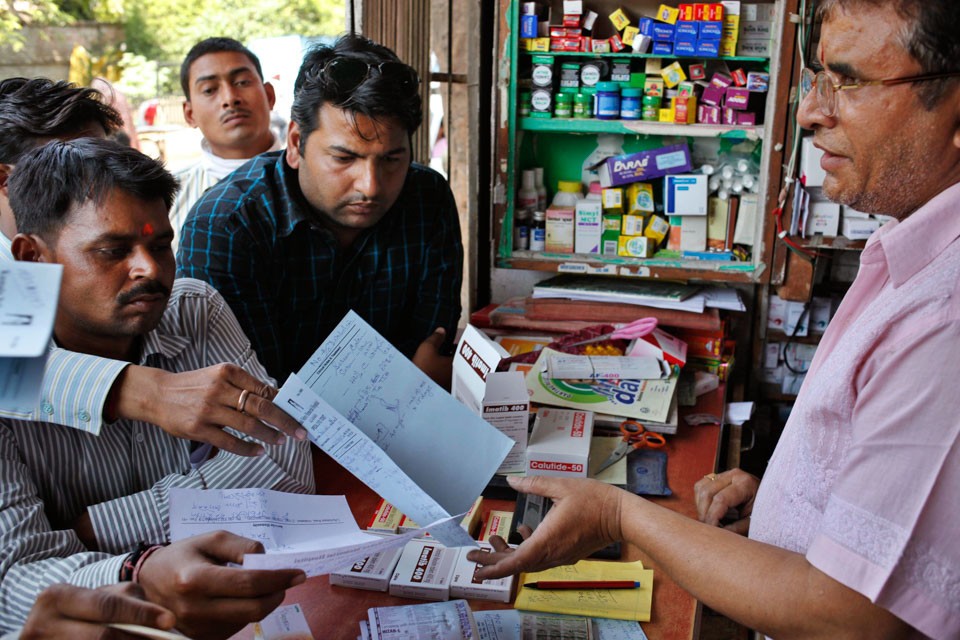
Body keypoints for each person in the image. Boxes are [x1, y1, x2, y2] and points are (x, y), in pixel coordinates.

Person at [470, 1, 960, 637]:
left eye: (852, 82)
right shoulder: (911, 254)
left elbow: (852, 619)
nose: (812, 111)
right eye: (817, 79)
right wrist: (797, 506)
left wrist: (621, 517)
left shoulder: (945, 316)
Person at [0, 138, 314, 636]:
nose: (149, 268)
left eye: (160, 244)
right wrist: (139, 569)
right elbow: (12, 584)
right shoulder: (8, 375)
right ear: (32, 259)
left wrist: (97, 528)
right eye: (114, 250)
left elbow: (286, 461)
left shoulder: (195, 310)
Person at [0, 76, 307, 457]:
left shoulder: (191, 304)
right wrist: (139, 390)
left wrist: (96, 520)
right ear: (5, 181)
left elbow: (277, 455)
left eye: (101, 152)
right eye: (65, 159)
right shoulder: (20, 276)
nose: (97, 172)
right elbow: (11, 367)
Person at [177, 34, 463, 387]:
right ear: (296, 144)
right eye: (344, 158)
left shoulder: (427, 197)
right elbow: (251, 399)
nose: (370, 187)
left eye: (392, 159)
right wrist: (410, 384)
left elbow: (431, 348)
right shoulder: (226, 226)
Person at [169, 37, 282, 246]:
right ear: (190, 113)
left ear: (269, 96)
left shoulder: (315, 181)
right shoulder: (166, 199)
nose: (230, 98)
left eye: (242, 82)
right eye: (210, 89)